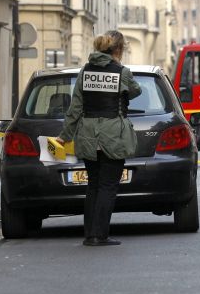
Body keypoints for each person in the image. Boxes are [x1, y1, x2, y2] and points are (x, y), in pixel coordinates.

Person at [57, 31, 141, 246]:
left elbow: (75, 108)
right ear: (118, 50)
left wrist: (64, 137)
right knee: (107, 186)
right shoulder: (122, 72)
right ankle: (99, 235)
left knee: (93, 185)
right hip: (113, 135)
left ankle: (89, 234)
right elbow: (136, 91)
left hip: (87, 135)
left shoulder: (85, 72)